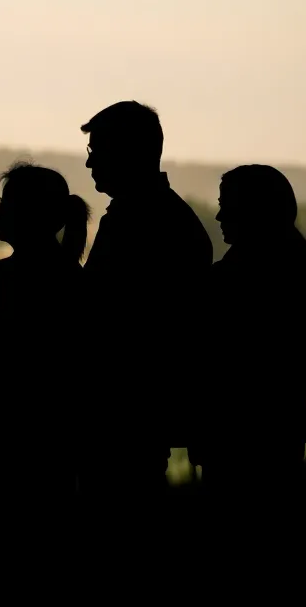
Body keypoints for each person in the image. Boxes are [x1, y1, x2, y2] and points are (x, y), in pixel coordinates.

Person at [79, 101, 213, 494]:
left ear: (128, 152)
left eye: (97, 152)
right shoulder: (156, 217)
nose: (90, 165)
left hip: (125, 414)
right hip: (132, 415)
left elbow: (108, 320)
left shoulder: (144, 222)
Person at [0, 163, 89, 498]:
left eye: (6, 203)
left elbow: (43, 369)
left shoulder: (8, 276)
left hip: (10, 445)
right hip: (44, 449)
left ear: (30, 213)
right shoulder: (69, 278)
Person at [191, 165, 306, 493]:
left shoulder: (234, 280)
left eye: (227, 205)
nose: (219, 216)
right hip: (278, 444)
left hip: (238, 450)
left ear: (254, 211)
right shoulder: (299, 275)